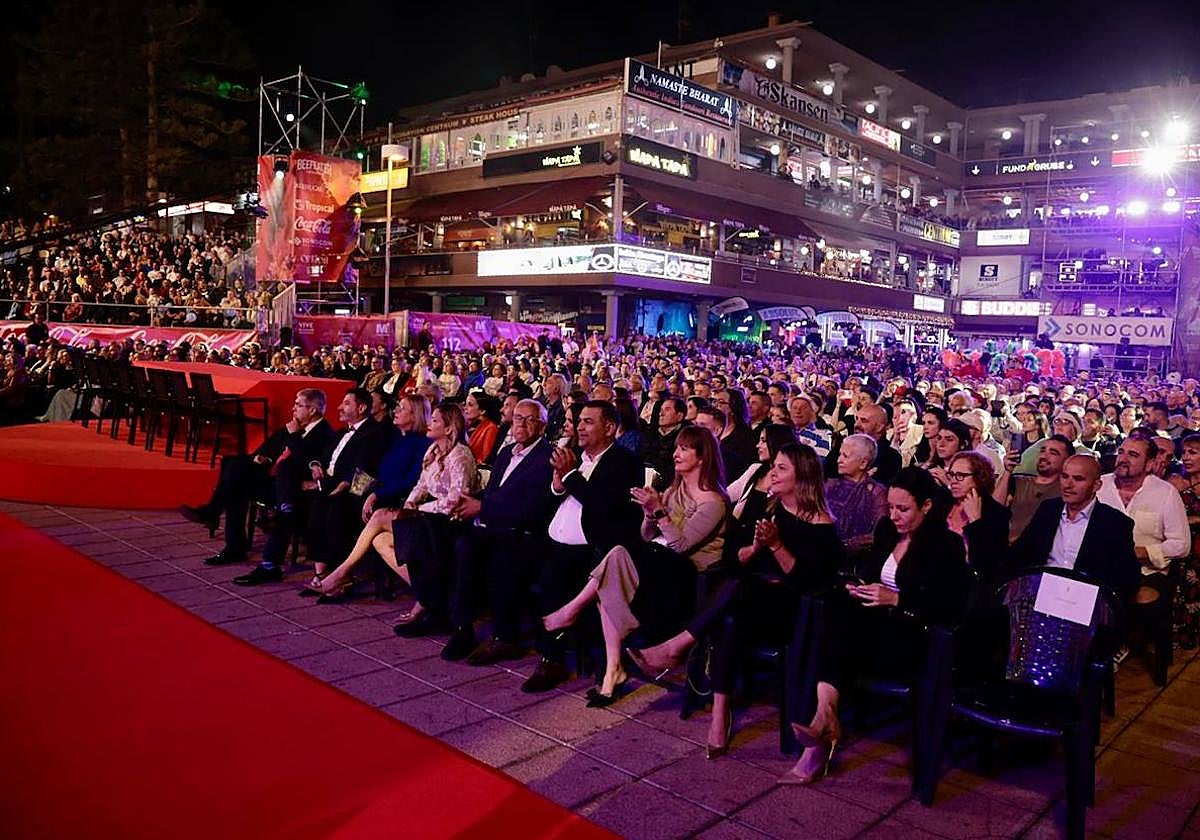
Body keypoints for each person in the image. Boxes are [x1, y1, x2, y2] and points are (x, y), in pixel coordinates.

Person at [629, 443, 842, 758]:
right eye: (774, 466)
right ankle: (719, 714)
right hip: (754, 598)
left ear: (802, 476)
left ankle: (678, 647)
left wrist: (777, 546)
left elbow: (807, 584)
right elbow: (734, 556)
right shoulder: (770, 508)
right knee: (730, 615)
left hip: (792, 612)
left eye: (782, 468)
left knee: (737, 591)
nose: (773, 473)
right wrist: (756, 547)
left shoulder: (821, 525)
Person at [781, 467, 970, 785]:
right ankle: (824, 717)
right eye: (891, 507)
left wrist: (897, 599)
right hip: (872, 629)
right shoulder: (887, 531)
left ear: (926, 506)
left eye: (903, 509)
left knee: (835, 633)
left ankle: (820, 735)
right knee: (837, 609)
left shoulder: (945, 545)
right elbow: (871, 575)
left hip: (914, 636)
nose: (894, 516)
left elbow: (949, 605)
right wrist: (860, 588)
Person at [544, 425, 728, 705]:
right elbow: (647, 535)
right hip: (658, 562)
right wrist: (649, 515)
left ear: (702, 457)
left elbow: (681, 546)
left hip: (687, 575)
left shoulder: (713, 501)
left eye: (684, 449)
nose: (676, 454)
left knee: (616, 560)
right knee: (614, 563)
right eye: (676, 448)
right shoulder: (673, 490)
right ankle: (613, 669)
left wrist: (660, 512)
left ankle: (575, 611)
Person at [520, 400, 644, 694]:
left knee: (553, 576)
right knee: (512, 555)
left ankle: (552, 659)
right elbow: (552, 500)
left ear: (609, 428)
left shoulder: (625, 462)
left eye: (588, 422)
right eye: (579, 422)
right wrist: (557, 484)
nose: (580, 427)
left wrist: (571, 476)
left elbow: (603, 507)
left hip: (592, 550)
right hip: (553, 541)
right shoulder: (575, 457)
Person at [440, 399, 557, 663]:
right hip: (494, 526)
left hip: (525, 533)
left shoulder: (547, 458)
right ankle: (462, 628)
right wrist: (471, 502)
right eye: (518, 418)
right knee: (460, 543)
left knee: (503, 557)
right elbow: (495, 493)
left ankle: (506, 638)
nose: (522, 424)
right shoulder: (506, 453)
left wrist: (482, 508)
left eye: (530, 419)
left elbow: (534, 508)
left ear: (543, 426)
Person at [301, 394, 431, 597]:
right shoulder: (395, 438)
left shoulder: (422, 444)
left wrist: (375, 495)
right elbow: (373, 470)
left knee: (338, 511)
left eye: (402, 408)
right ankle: (326, 571)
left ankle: (342, 577)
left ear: (415, 415)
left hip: (393, 498)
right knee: (324, 503)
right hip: (372, 492)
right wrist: (354, 488)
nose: (396, 411)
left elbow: (411, 482)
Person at [231, 390, 337, 585]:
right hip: (277, 482)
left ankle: (269, 565)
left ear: (312, 410)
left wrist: (294, 435)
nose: (293, 408)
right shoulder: (293, 426)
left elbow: (306, 461)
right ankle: (232, 544)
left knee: (286, 501)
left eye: (298, 405)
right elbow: (271, 446)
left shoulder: (324, 432)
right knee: (234, 469)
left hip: (298, 488)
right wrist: (264, 457)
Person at [389, 403, 478, 634]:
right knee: (393, 532)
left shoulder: (461, 455)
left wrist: (421, 508)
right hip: (433, 516)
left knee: (408, 530)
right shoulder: (433, 450)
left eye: (435, 420)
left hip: (454, 520)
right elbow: (421, 484)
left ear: (449, 428)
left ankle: (430, 607)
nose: (429, 423)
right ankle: (428, 602)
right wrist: (411, 503)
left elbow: (456, 500)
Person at [1010, 455, 1140, 599]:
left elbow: (1128, 580)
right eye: (1065, 476)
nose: (1068, 485)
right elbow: (1020, 554)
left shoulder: (1115, 523)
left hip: (1086, 600)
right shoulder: (1048, 509)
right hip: (1040, 592)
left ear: (1096, 486)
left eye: (1078, 479)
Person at [1097, 433, 1190, 613]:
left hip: (1146, 575)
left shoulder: (1165, 493)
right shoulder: (1099, 486)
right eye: (1121, 452)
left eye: (1133, 455)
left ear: (1149, 464)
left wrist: (1142, 552)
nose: (1123, 459)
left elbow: (1181, 544)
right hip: (1099, 571)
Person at [943, 451, 1010, 580]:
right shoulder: (942, 501)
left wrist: (975, 522)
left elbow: (987, 566)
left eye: (961, 475)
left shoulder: (997, 514)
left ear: (979, 478)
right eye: (951, 475)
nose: (953, 481)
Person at [994, 434, 1072, 542]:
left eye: (1053, 453)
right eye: (1043, 450)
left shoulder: (1066, 491)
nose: (1044, 456)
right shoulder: (1017, 481)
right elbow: (993, 509)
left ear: (1067, 461)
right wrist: (1007, 472)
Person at [823, 434, 888, 556]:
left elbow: (879, 534)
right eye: (840, 454)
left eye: (845, 456)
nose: (838, 460)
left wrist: (845, 546)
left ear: (863, 463)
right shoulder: (829, 486)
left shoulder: (876, 493)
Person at [1168, 432, 1200, 648]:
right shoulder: (1175, 482)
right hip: (1182, 552)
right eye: (1185, 452)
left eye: (1193, 452)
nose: (1186, 457)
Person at [463, 390, 500, 463]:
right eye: (465, 404)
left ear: (482, 411)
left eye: (470, 405)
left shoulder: (491, 428)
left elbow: (485, 458)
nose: (465, 408)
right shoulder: (466, 425)